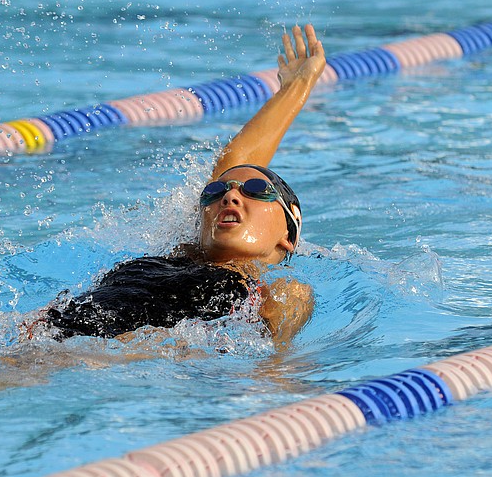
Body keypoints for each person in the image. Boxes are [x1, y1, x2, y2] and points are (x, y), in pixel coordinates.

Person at [23, 24, 326, 349]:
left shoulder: (282, 291)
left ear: (288, 233)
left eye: (255, 189)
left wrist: (300, 85)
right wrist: (293, 87)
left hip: (116, 357)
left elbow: (274, 363)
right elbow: (234, 163)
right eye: (216, 193)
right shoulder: (183, 251)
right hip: (51, 332)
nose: (232, 196)